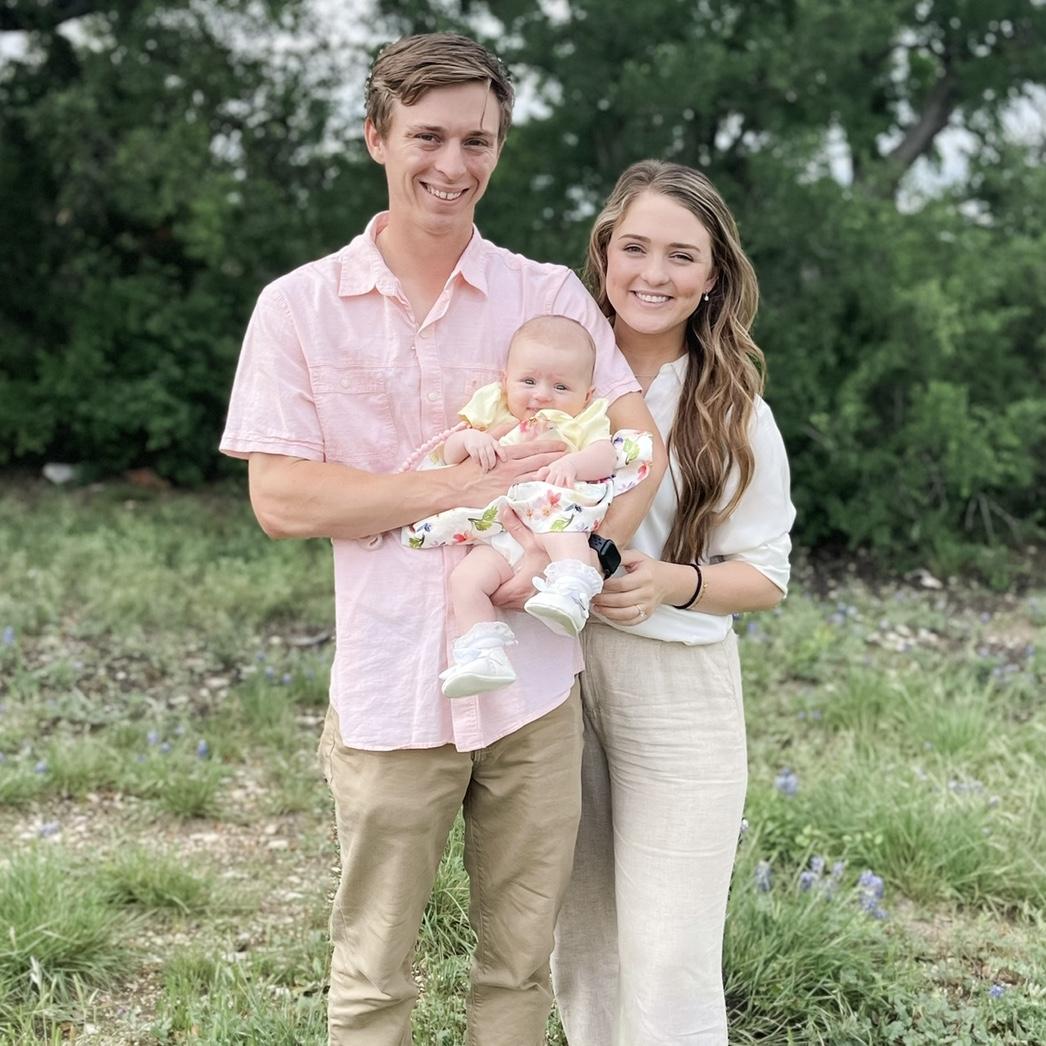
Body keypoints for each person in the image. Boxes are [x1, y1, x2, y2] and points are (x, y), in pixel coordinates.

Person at [219, 33, 662, 1046]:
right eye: (427, 136)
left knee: (520, 962)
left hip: (533, 683)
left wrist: (583, 557)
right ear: (376, 136)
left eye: (477, 141)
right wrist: (452, 487)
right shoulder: (297, 308)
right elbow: (281, 498)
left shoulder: (548, 298)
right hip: (388, 685)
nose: (452, 165)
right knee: (374, 970)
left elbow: (638, 449)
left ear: (499, 148)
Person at [550, 160, 796, 1045]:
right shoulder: (553, 376)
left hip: (678, 687)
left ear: (713, 276)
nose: (653, 274)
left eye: (682, 256)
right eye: (636, 248)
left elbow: (766, 574)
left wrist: (670, 582)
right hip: (554, 676)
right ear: (604, 253)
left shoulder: (733, 409)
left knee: (669, 951)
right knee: (580, 942)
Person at [402, 314, 652, 698]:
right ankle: (483, 654)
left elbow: (606, 457)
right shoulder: (495, 410)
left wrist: (573, 464)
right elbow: (449, 452)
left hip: (555, 514)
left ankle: (571, 588)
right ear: (505, 381)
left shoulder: (582, 420)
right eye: (529, 382)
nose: (542, 395)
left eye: (561, 386)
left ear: (587, 395)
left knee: (561, 525)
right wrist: (471, 441)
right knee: (465, 581)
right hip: (503, 531)